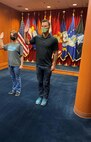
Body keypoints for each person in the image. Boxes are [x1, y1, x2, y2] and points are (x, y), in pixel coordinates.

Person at [25, 19, 58, 106]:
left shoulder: (54, 39)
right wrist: (25, 33)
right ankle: (40, 96)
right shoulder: (37, 38)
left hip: (47, 66)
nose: (43, 28)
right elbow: (27, 42)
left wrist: (54, 64)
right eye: (42, 26)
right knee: (39, 82)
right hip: (38, 65)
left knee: (46, 83)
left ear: (49, 27)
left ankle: (45, 97)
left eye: (45, 26)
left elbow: (55, 52)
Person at [0, 30, 23, 96]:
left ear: (16, 36)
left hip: (16, 65)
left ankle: (18, 90)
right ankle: (14, 90)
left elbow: (21, 56)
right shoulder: (9, 44)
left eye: (13, 35)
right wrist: (1, 39)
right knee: (13, 78)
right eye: (11, 35)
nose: (11, 36)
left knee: (17, 78)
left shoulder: (19, 45)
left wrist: (21, 64)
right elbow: (2, 47)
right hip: (10, 65)